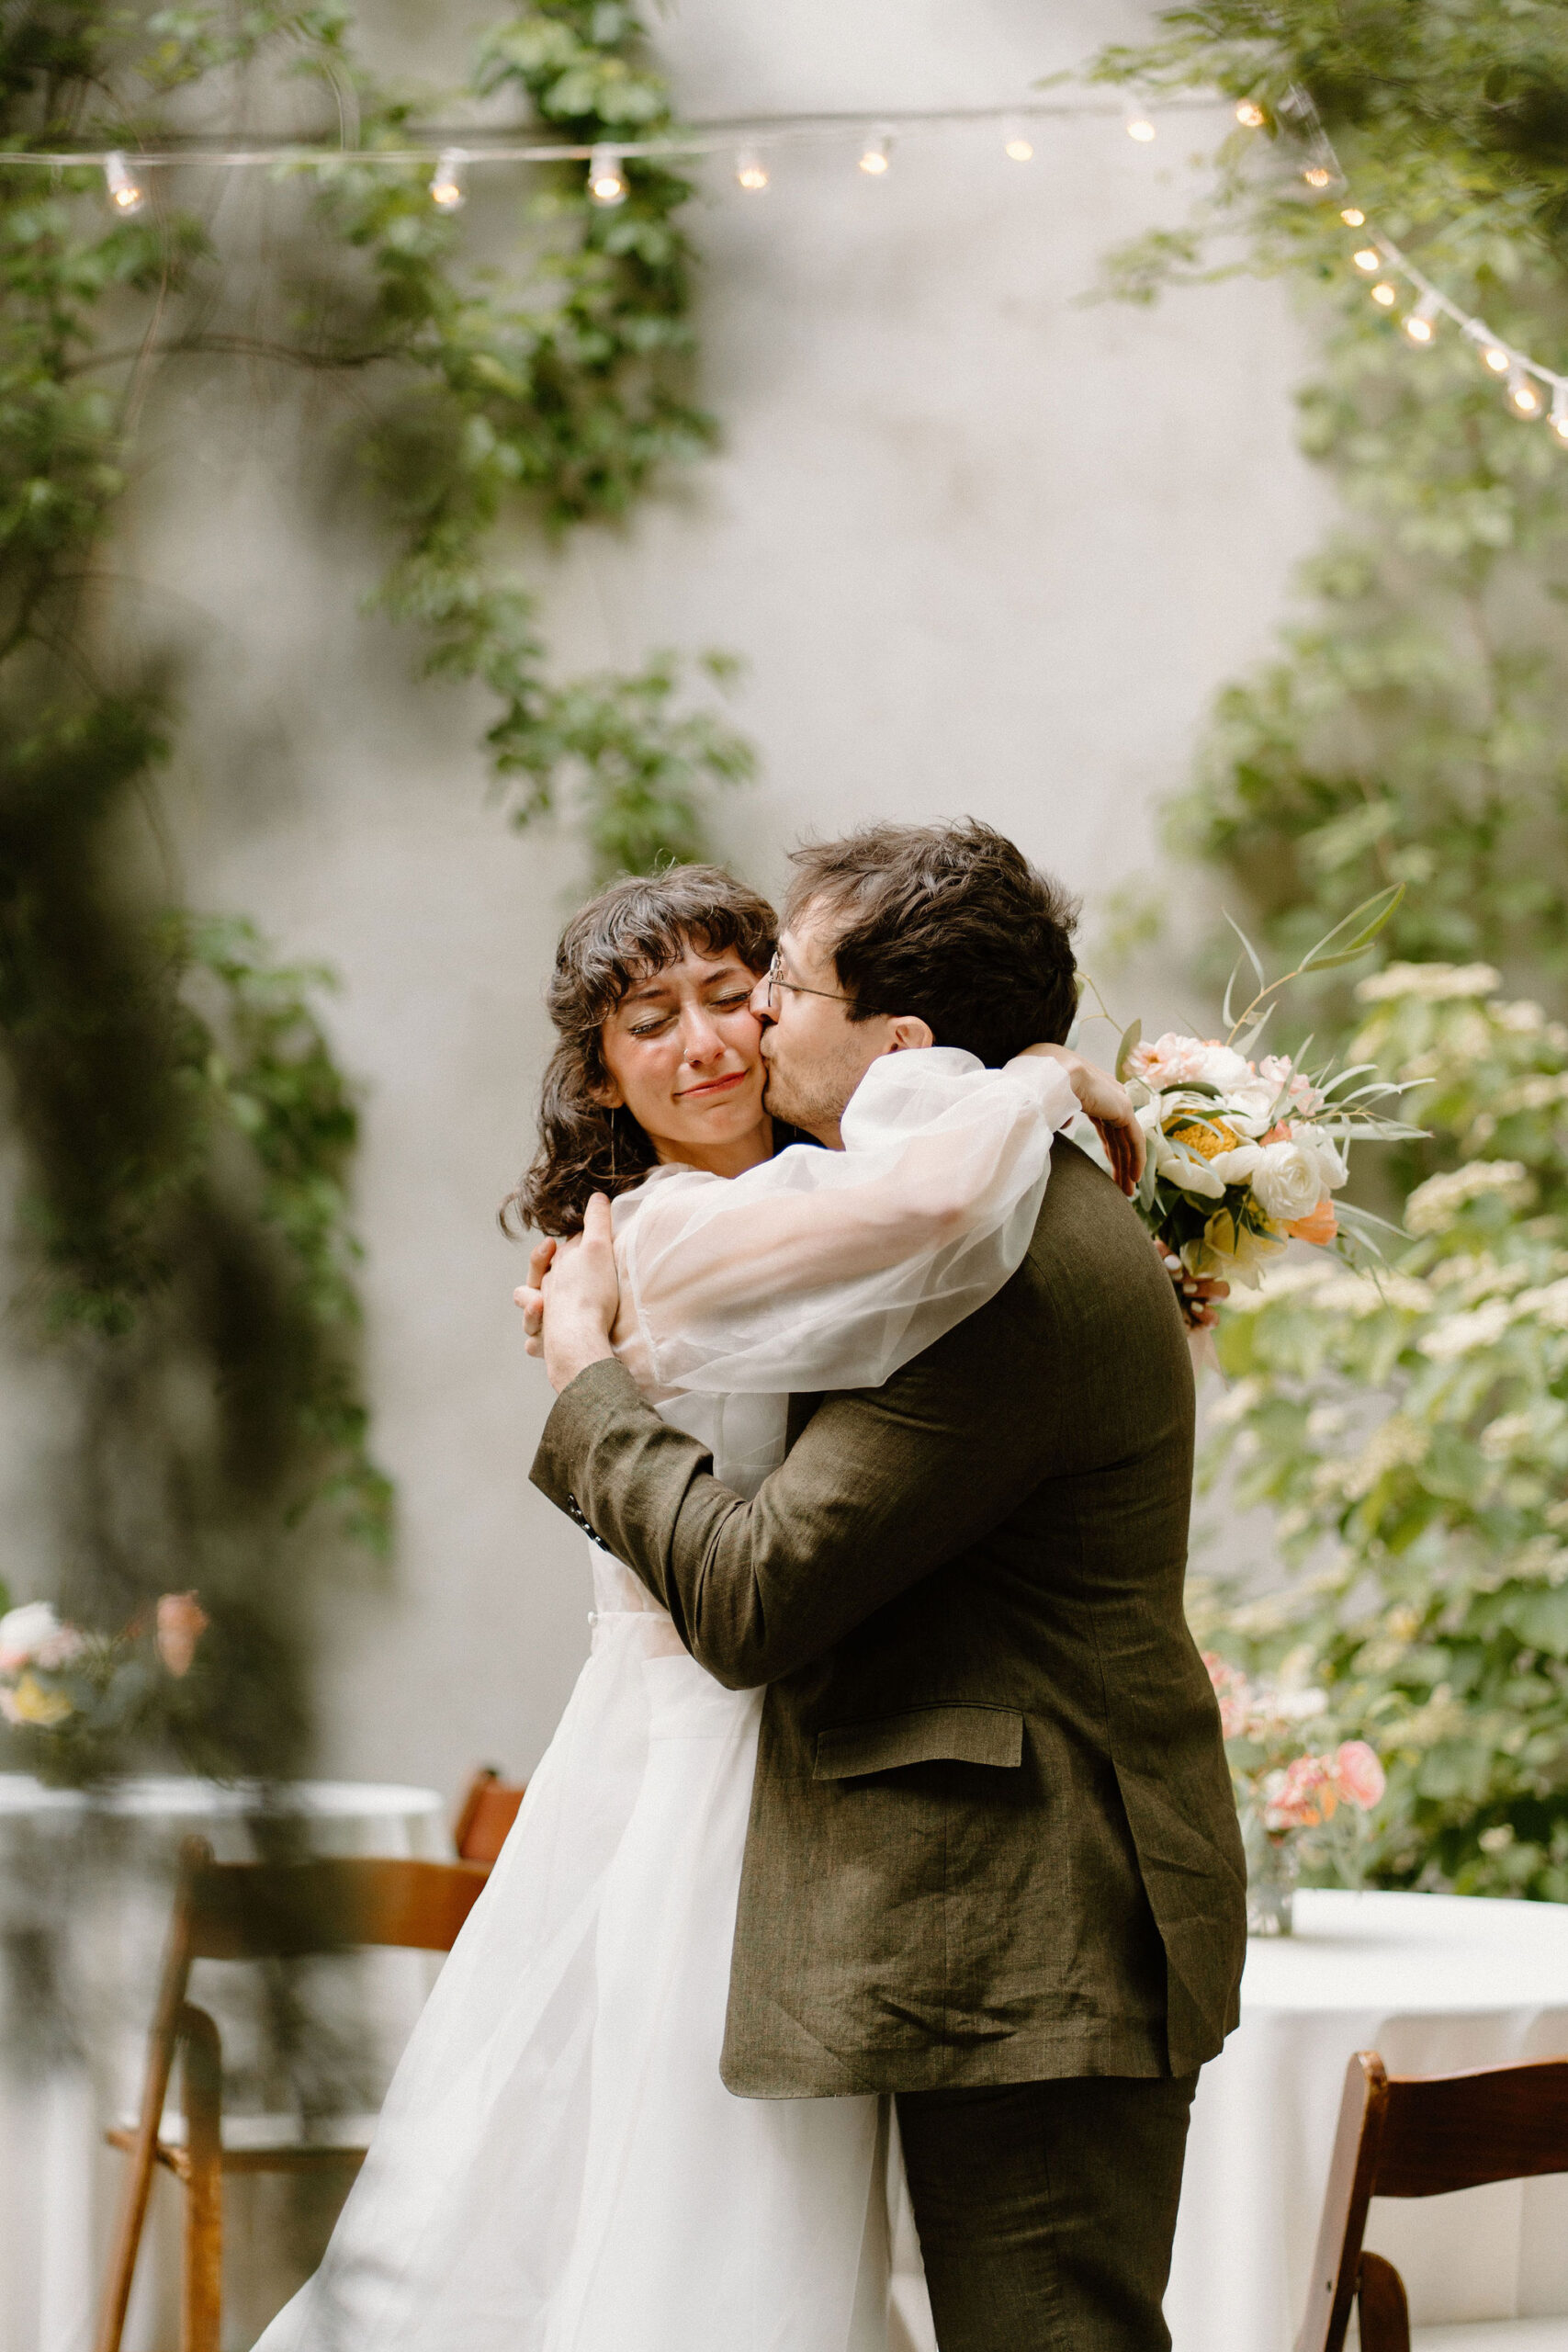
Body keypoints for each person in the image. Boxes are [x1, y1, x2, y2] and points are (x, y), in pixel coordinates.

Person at [252, 853, 1149, 2352]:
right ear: (601, 1076)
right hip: (702, 1761)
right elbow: (933, 1195)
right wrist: (1036, 1080)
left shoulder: (833, 1197)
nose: (710, 1043)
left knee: (776, 2211)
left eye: (740, 997)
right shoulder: (658, 1239)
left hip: (816, 1758)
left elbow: (913, 1225)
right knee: (695, 2190)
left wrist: (1039, 1089)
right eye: (650, 1023)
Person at [528, 820, 1247, 2352]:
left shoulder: (998, 1276)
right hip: (971, 1914)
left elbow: (753, 1595)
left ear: (904, 1043)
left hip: (1042, 1927)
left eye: (782, 983)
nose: (756, 1018)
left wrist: (585, 1376)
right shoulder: (954, 1216)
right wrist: (1053, 1074)